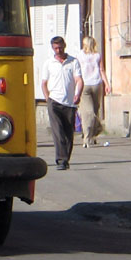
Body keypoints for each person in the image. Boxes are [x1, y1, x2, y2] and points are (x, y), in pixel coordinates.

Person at [41, 36, 83, 170]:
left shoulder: (73, 62)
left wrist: (78, 93)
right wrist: (47, 98)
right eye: (55, 48)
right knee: (58, 132)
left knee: (68, 133)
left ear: (64, 46)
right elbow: (44, 83)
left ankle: (66, 159)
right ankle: (61, 161)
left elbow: (79, 80)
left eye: (60, 47)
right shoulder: (49, 63)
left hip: (69, 104)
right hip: (54, 102)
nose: (58, 50)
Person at [76, 35, 110, 148]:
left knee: (94, 111)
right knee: (89, 112)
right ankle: (87, 138)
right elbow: (77, 71)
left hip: (95, 84)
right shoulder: (81, 55)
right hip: (86, 85)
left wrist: (106, 84)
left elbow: (102, 69)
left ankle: (93, 134)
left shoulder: (96, 55)